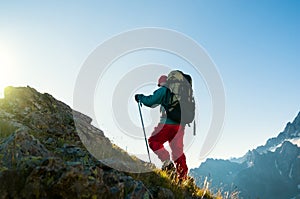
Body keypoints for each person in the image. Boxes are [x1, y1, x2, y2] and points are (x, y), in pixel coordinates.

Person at [135, 75, 188, 180]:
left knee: (154, 141)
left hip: (167, 124)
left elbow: (150, 102)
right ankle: (183, 178)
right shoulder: (180, 93)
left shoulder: (163, 91)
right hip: (180, 126)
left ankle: (167, 163)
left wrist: (139, 97)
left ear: (160, 83)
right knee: (178, 152)